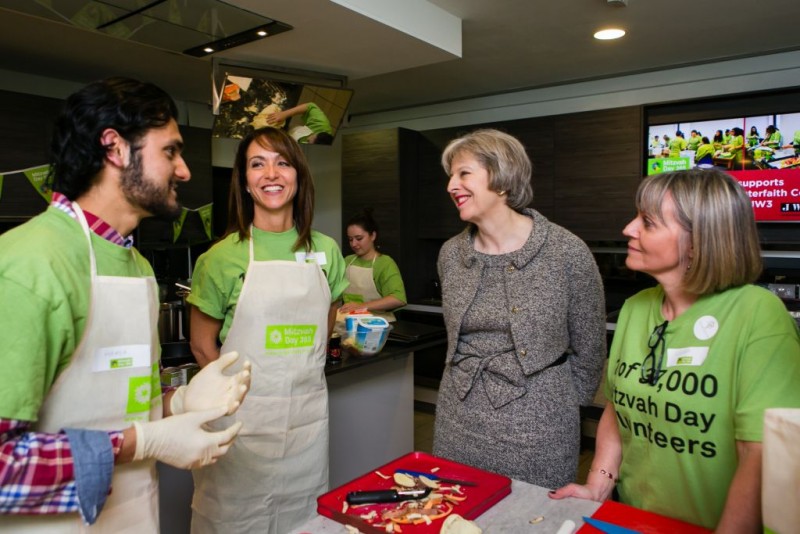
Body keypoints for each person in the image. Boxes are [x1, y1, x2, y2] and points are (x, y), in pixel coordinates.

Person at [0, 77, 250, 532]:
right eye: (170, 151)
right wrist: (142, 441)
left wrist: (176, 404)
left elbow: (118, 400)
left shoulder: (135, 265)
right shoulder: (28, 265)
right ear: (115, 148)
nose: (185, 171)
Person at [550, 168, 800, 531]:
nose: (629, 229)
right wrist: (597, 486)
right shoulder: (636, 309)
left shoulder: (758, 315)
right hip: (637, 520)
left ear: (698, 243)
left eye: (648, 222)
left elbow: (759, 455)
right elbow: (618, 411)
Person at [187, 126, 349, 533]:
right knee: (235, 522)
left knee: (305, 522)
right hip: (241, 425)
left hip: (305, 424)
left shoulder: (326, 250)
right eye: (257, 164)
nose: (271, 173)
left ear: (298, 175)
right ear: (244, 180)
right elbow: (202, 346)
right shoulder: (221, 258)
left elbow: (326, 319)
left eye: (282, 162)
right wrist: (233, 403)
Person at [432, 129, 606, 489]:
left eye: (463, 173)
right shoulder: (451, 254)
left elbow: (590, 349)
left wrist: (558, 402)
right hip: (457, 420)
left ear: (501, 178)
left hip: (539, 427)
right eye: (450, 175)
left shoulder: (566, 251)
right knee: (453, 509)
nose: (451, 185)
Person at [338, 208, 407, 321]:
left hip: (378, 326)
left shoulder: (385, 263)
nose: (354, 244)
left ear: (373, 236)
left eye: (359, 238)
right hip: (351, 323)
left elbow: (398, 299)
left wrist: (361, 307)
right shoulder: (347, 261)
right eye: (350, 239)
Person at [267, 101, 335, 145]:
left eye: (308, 142)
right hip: (289, 133)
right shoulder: (322, 125)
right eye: (314, 135)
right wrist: (284, 114)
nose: (308, 139)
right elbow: (310, 107)